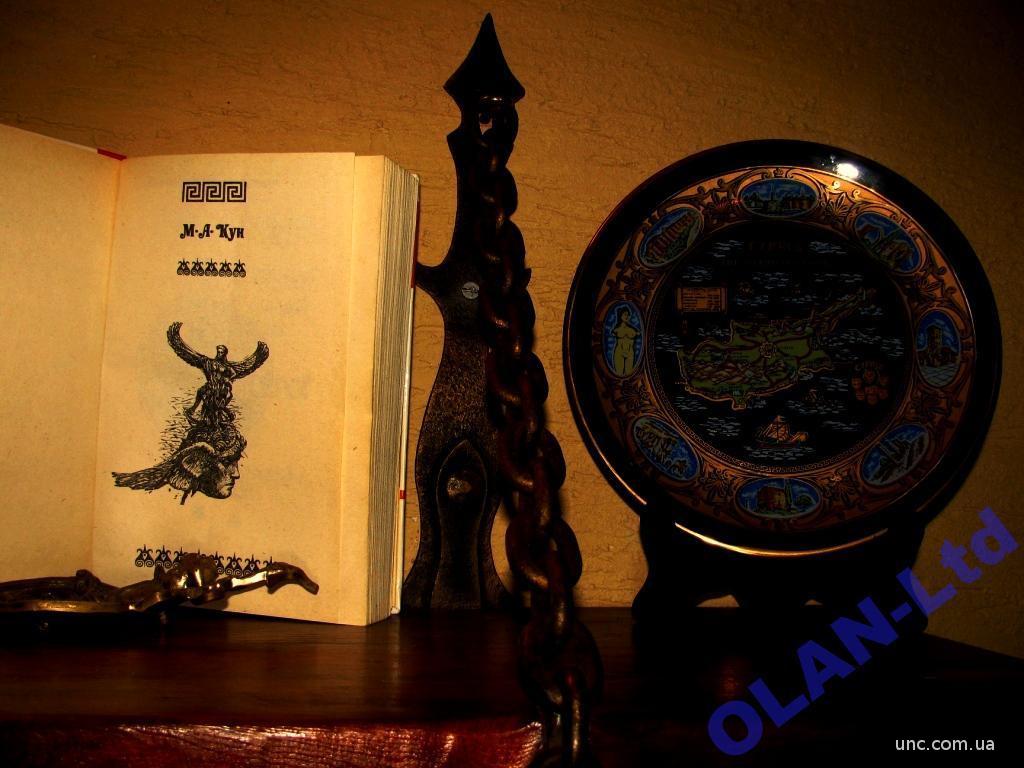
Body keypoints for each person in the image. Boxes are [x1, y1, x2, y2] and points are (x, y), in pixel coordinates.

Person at [112, 423, 246, 504]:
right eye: (227, 462)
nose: (236, 474)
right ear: (197, 462)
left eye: (236, 462)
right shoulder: (163, 502)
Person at [611, 307, 639, 376]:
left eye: (628, 315)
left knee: (629, 375)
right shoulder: (616, 329)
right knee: (619, 374)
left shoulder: (633, 330)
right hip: (619, 352)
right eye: (625, 314)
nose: (627, 316)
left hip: (630, 353)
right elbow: (612, 333)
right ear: (620, 316)